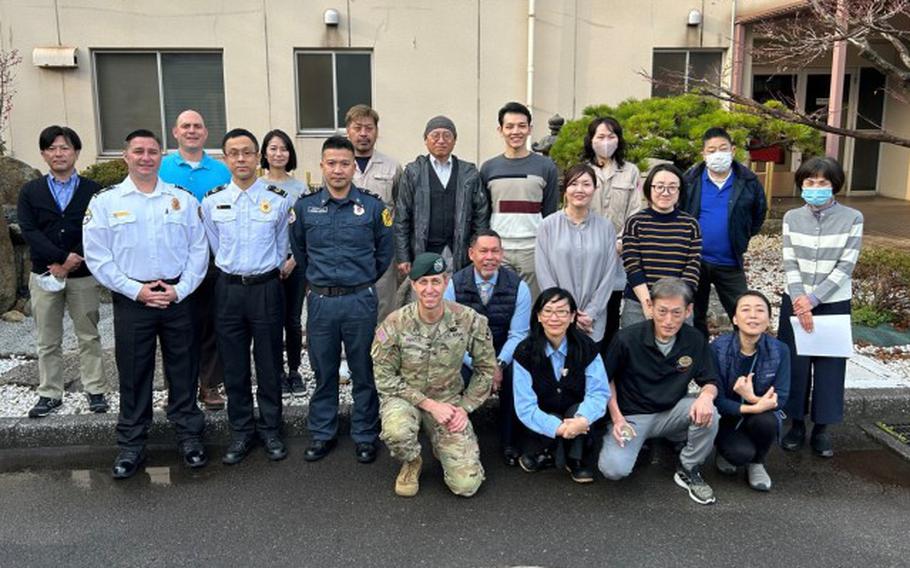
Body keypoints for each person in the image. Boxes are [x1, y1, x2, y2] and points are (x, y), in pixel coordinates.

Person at [83, 129, 208, 479]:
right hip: (132, 299)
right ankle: (131, 445)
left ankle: (189, 437)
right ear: (125, 156)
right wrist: (134, 290)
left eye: (153, 151)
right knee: (135, 373)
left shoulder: (182, 200)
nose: (146, 157)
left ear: (161, 156)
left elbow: (199, 250)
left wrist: (181, 290)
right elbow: (97, 256)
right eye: (138, 151)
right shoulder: (106, 202)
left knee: (183, 370)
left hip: (176, 297)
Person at [290, 135, 394, 464]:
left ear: (353, 167)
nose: (338, 170)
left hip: (360, 300)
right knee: (324, 370)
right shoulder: (305, 208)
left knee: (364, 370)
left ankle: (364, 434)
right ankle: (323, 432)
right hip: (321, 302)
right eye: (331, 163)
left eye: (344, 163)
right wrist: (320, 284)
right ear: (321, 166)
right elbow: (300, 252)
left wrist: (359, 283)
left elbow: (384, 254)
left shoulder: (374, 207)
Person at [200, 128, 291, 465]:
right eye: (234, 153)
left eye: (248, 152)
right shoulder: (211, 201)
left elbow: (282, 245)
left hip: (266, 287)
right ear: (225, 159)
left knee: (268, 362)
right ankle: (240, 432)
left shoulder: (278, 198)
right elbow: (213, 245)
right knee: (234, 364)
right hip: (228, 290)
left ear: (258, 157)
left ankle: (270, 429)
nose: (241, 159)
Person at [372, 253, 496, 497]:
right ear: (414, 285)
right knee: (397, 431)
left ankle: (443, 444)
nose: (430, 289)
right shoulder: (395, 323)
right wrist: (428, 404)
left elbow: (486, 369)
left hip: (449, 402)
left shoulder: (468, 320)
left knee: (466, 486)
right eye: (423, 282)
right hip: (405, 397)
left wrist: (464, 408)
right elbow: (384, 377)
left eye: (436, 281)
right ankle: (412, 460)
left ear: (446, 282)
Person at [598, 277, 720, 505]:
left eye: (676, 312)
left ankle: (688, 467)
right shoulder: (626, 338)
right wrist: (616, 419)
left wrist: (706, 396)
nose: (668, 320)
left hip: (671, 410)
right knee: (614, 470)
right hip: (631, 417)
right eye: (662, 311)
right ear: (650, 307)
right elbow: (606, 380)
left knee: (710, 412)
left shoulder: (694, 339)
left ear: (688, 311)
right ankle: (642, 441)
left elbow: (710, 379)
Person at [18, 125, 106, 418]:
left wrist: (71, 261)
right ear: (44, 154)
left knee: (88, 335)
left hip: (83, 275)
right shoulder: (31, 190)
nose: (59, 153)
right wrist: (58, 259)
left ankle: (95, 390)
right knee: (47, 338)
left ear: (76, 152)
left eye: (65, 147)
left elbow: (96, 229)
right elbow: (29, 230)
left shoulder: (93, 190)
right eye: (52, 148)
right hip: (44, 273)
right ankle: (50, 393)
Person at [778, 157, 863, 458]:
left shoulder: (853, 217)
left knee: (829, 366)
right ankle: (797, 424)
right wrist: (800, 299)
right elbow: (789, 260)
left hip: (834, 302)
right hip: (795, 300)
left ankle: (822, 429)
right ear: (801, 184)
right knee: (796, 366)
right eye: (810, 182)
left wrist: (813, 300)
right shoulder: (791, 217)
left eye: (823, 183)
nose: (815, 188)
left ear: (834, 186)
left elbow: (846, 265)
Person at [159, 109, 231, 411]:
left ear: (205, 133)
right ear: (175, 132)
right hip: (174, 259)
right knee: (176, 325)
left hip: (213, 259)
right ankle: (179, 386)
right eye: (185, 126)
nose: (192, 131)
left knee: (213, 323)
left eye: (197, 126)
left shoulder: (221, 171)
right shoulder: (160, 168)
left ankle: (210, 384)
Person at [443, 229, 531, 466]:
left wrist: (499, 364)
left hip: (504, 353)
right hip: (466, 354)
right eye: (483, 251)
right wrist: (482, 365)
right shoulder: (454, 285)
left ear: (502, 254)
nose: (489, 257)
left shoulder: (519, 287)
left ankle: (510, 441)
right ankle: (457, 440)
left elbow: (519, 334)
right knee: (451, 377)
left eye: (495, 251)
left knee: (517, 377)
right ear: (471, 253)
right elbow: (452, 336)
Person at [512, 287, 610, 483]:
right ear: (538, 316)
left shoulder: (586, 347)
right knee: (548, 421)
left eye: (562, 312)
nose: (554, 318)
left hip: (577, 417)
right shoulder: (525, 351)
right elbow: (524, 405)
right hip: (543, 416)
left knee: (578, 411)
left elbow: (598, 393)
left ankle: (576, 459)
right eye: (547, 311)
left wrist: (582, 420)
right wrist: (559, 428)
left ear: (573, 316)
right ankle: (549, 449)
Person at [682, 127, 767, 337]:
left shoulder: (748, 181)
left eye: (723, 148)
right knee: (693, 315)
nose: (717, 154)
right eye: (711, 150)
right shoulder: (690, 180)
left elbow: (758, 214)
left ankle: (744, 358)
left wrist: (741, 237)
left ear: (733, 150)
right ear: (703, 154)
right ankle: (698, 360)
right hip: (695, 262)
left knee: (742, 312)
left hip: (730, 262)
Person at [711, 290, 790, 491]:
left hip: (760, 417)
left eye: (760, 310)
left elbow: (780, 397)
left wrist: (751, 397)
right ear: (735, 319)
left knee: (768, 420)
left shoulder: (780, 350)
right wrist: (754, 406)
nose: (753, 315)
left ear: (768, 319)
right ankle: (725, 449)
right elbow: (717, 399)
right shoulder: (718, 349)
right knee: (739, 455)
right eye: (745, 310)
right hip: (726, 417)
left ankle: (758, 463)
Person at [535, 164, 619, 347]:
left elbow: (609, 274)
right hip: (557, 318)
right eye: (573, 184)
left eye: (586, 184)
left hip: (592, 321)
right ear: (565, 189)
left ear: (595, 189)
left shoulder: (605, 227)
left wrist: (591, 312)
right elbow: (543, 273)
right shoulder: (548, 226)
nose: (579, 189)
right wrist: (565, 311)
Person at [482, 101, 560, 298]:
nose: (515, 131)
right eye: (509, 126)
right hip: (499, 250)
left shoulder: (545, 166)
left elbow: (550, 212)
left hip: (532, 250)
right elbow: (483, 213)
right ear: (500, 130)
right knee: (499, 306)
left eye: (521, 126)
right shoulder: (489, 168)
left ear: (530, 129)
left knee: (532, 306)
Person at [395, 115, 489, 277]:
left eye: (447, 135)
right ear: (426, 140)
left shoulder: (469, 173)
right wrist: (403, 256)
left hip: (459, 251)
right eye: (435, 135)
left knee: (456, 296)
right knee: (427, 296)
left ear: (454, 140)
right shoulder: (413, 172)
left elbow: (481, 215)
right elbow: (402, 216)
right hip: (423, 250)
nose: (441, 140)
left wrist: (477, 251)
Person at [582, 116, 643, 350]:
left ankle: (608, 365)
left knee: (612, 306)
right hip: (587, 249)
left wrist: (621, 241)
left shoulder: (631, 171)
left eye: (611, 136)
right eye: (600, 136)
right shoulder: (584, 171)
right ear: (591, 140)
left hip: (617, 251)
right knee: (587, 305)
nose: (606, 141)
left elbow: (635, 211)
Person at [621, 164, 701, 327]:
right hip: (640, 302)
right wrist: (648, 304)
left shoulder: (690, 225)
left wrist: (675, 304)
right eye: (659, 187)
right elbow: (632, 266)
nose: (665, 192)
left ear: (680, 191)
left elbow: (692, 268)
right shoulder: (635, 222)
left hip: (678, 304)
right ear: (649, 188)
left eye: (672, 187)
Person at [259, 129, 307, 399]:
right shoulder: (257, 188)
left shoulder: (300, 189)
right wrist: (273, 262)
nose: (279, 153)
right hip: (267, 267)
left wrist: (292, 260)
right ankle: (275, 371)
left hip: (295, 264)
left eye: (284, 148)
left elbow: (304, 231)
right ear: (265, 153)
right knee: (270, 320)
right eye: (273, 148)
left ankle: (294, 371)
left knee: (293, 319)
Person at [346, 104, 402, 322]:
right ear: (347, 131)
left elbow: (401, 211)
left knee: (384, 307)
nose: (363, 134)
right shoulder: (340, 165)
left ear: (376, 132)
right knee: (353, 308)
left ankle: (382, 355)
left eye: (369, 128)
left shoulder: (392, 167)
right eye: (357, 128)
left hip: (382, 250)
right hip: (348, 251)